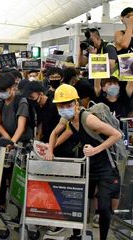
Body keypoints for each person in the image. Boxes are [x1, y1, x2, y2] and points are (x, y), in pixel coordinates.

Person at [46, 84, 121, 240]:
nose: (65, 108)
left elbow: (116, 135)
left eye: (68, 104)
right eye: (61, 105)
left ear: (76, 103)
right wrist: (49, 149)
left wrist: (95, 150)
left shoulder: (88, 119)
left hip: (105, 166)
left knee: (104, 207)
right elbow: (55, 134)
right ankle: (76, 235)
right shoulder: (66, 119)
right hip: (87, 166)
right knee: (76, 200)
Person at [0, 72, 33, 210]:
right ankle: (1, 203)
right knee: (1, 173)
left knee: (18, 175)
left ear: (12, 87)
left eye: (4, 90)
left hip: (20, 142)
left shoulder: (21, 101)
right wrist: (6, 138)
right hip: (5, 141)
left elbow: (21, 126)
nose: (1, 93)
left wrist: (12, 142)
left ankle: (19, 208)